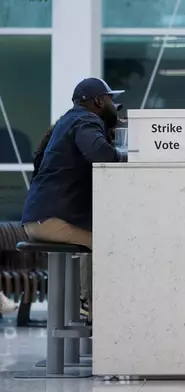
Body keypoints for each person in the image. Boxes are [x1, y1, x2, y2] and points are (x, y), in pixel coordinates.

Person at [22, 77, 125, 322]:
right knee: (109, 245)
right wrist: (128, 157)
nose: (115, 108)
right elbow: (101, 154)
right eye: (112, 101)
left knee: (96, 238)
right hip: (50, 221)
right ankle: (91, 308)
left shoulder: (67, 122)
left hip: (39, 218)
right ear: (99, 101)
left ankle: (85, 304)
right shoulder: (86, 119)